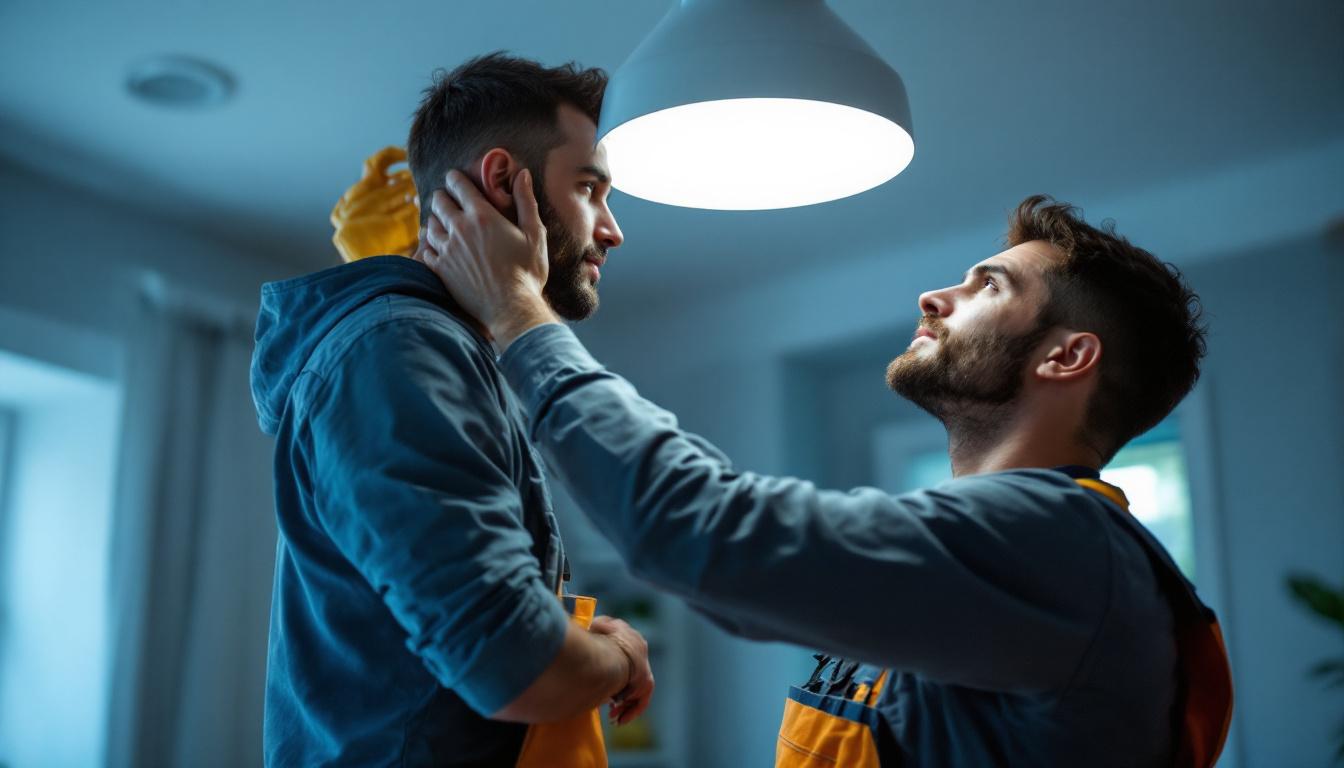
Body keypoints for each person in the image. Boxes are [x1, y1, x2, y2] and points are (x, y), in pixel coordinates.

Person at [415, 171, 1235, 767]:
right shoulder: (994, 557)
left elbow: (703, 533)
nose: (933, 296)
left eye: (987, 285)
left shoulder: (1062, 542)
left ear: (1068, 356)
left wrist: (521, 316)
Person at [249, 53, 651, 767]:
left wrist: (567, 635)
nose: (613, 229)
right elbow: (512, 667)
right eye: (591, 189)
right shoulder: (402, 348)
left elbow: (452, 647)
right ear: (503, 180)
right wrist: (618, 654)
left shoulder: (433, 350)